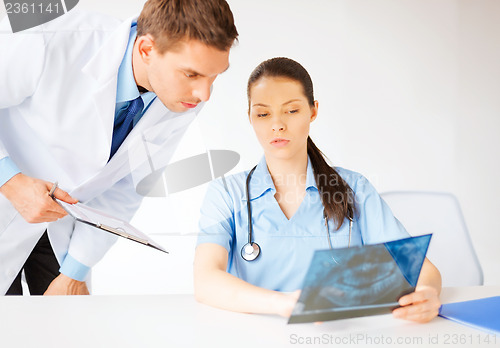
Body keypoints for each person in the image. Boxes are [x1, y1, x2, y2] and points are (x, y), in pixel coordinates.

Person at [0, 0, 238, 296]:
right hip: (4, 203)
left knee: (62, 333)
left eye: (215, 75)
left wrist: (75, 271)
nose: (205, 94)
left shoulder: (182, 98)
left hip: (59, 229)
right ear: (147, 50)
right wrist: (8, 180)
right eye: (192, 75)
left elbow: (128, 184)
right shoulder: (55, 39)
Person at [194, 57, 442, 323]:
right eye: (263, 113)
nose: (277, 124)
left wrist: (427, 294)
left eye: (291, 110)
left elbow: (423, 270)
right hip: (256, 334)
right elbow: (206, 280)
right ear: (250, 118)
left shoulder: (353, 188)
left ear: (313, 111)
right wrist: (285, 304)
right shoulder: (226, 194)